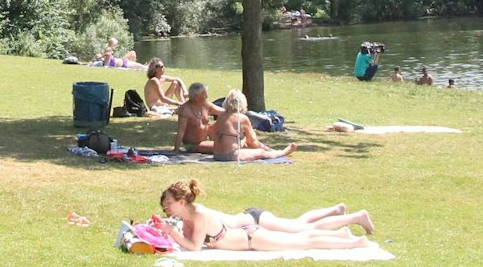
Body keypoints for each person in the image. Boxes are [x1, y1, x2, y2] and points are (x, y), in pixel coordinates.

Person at [155, 178, 372, 252]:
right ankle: (342, 235)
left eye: (169, 205)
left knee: (305, 241)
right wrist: (168, 232)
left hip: (252, 238)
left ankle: (355, 242)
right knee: (303, 235)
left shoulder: (199, 213)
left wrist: (170, 232)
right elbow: (190, 242)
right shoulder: (187, 216)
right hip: (248, 235)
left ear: (182, 202)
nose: (167, 209)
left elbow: (193, 248)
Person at [210, 90, 293, 162]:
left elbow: (212, 132)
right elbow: (253, 142)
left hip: (217, 154)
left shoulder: (221, 116)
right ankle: (281, 153)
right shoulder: (242, 118)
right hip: (230, 156)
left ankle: (275, 152)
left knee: (246, 146)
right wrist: (270, 151)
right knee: (260, 152)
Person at [175, 83, 223, 154]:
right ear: (196, 97)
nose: (207, 96)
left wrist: (237, 112)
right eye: (204, 95)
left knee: (225, 118)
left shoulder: (205, 104)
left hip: (205, 137)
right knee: (223, 147)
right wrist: (176, 150)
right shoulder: (185, 110)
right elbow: (180, 132)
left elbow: (223, 112)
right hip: (192, 145)